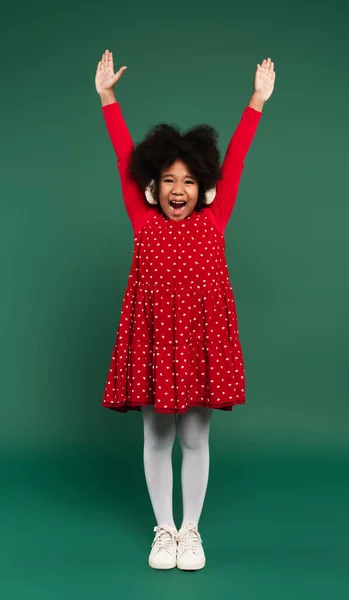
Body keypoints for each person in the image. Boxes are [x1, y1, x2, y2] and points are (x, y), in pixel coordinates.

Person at [95, 49, 275, 571]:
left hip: (201, 339)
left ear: (204, 188)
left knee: (195, 435)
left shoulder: (215, 219)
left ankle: (191, 530)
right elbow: (121, 152)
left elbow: (238, 155)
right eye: (169, 181)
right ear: (154, 186)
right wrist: (107, 98)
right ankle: (164, 530)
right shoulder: (142, 219)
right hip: (153, 336)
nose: (179, 190)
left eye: (189, 182)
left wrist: (256, 102)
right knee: (157, 434)